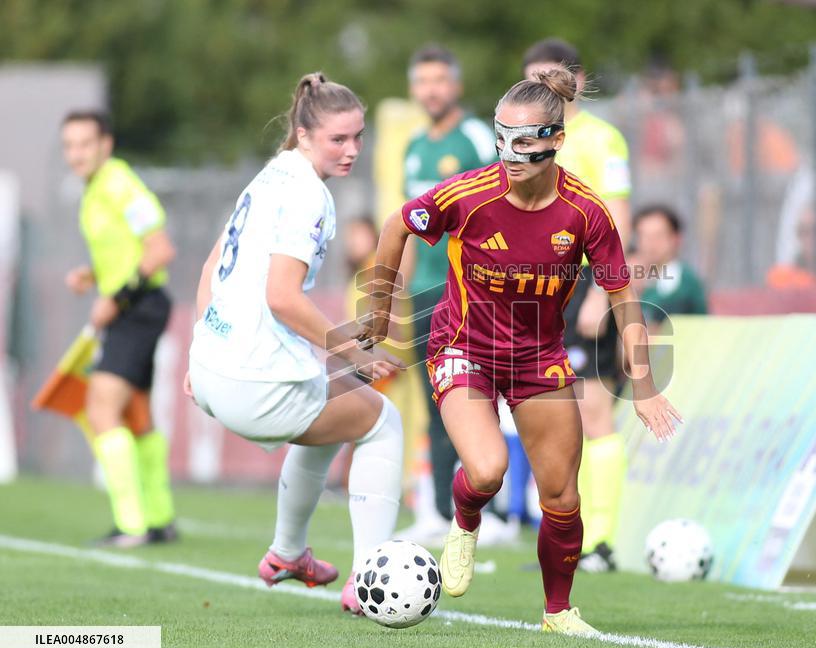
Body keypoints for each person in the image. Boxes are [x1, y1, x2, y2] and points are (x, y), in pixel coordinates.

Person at [361, 67, 681, 634]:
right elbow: (396, 224)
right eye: (501, 136)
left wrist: (646, 388)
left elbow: (624, 299)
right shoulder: (468, 194)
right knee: (487, 470)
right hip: (462, 347)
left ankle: (558, 612)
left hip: (538, 358)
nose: (510, 153)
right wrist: (379, 308)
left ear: (557, 141)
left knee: (561, 494)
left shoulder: (586, 213)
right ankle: (464, 522)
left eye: (526, 140)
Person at [185, 73, 405, 615]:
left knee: (334, 416)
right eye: (338, 139)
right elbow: (282, 297)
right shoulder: (309, 194)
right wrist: (355, 356)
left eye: (358, 137)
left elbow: (213, 267)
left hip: (212, 370)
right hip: (255, 382)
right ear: (304, 134)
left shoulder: (270, 176)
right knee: (382, 422)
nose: (352, 149)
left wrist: (200, 353)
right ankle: (368, 578)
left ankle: (287, 554)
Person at [522, 38, 632, 573]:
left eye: (551, 77)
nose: (541, 88)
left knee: (593, 412)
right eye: (531, 79)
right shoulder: (526, 139)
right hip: (538, 292)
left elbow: (619, 223)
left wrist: (601, 295)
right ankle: (565, 540)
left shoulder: (601, 140)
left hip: (582, 286)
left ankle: (602, 542)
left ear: (578, 81)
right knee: (552, 416)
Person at [61, 110, 178, 548]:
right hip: (137, 306)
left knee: (101, 410)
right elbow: (126, 250)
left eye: (84, 144)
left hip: (139, 309)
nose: (76, 154)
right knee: (138, 414)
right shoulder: (95, 190)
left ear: (105, 145)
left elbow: (160, 249)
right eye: (69, 146)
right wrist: (93, 275)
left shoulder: (117, 183)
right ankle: (160, 518)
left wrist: (116, 299)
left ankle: (131, 526)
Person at [397, 45, 500, 544]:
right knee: (433, 399)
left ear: (455, 85)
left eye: (440, 79)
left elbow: (504, 204)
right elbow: (410, 227)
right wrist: (398, 292)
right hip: (423, 295)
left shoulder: (478, 136)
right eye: (423, 81)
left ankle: (493, 514)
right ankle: (439, 510)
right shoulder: (414, 146)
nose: (431, 90)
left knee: (480, 397)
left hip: (473, 295)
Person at [631, 205, 708, 326]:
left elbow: (657, 326)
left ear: (676, 239)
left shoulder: (684, 281)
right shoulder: (639, 277)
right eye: (643, 236)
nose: (650, 243)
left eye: (658, 236)